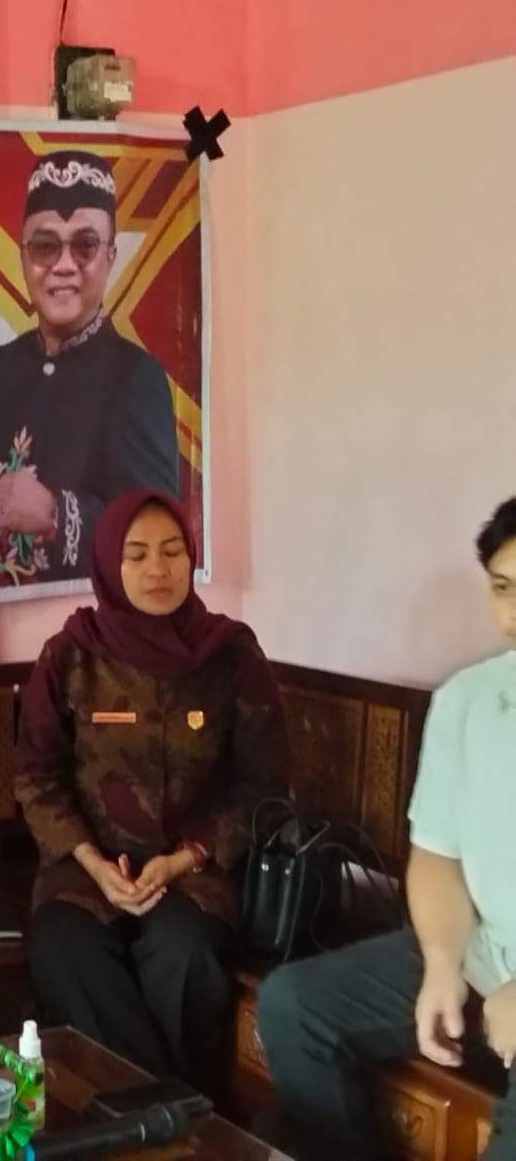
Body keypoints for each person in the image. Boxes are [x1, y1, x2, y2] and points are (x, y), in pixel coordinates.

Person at [257, 496, 516, 1160]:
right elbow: (436, 857)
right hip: (482, 955)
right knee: (293, 1008)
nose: (515, 612)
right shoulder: (468, 702)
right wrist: (441, 962)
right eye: (503, 588)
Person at [15, 489, 289, 1088]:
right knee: (65, 948)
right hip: (85, 869)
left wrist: (185, 858)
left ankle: (144, 1116)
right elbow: (37, 776)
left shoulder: (231, 653)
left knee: (185, 953)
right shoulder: (71, 656)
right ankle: (172, 1114)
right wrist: (92, 862)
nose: (157, 569)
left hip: (195, 872)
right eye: (136, 555)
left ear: (191, 557)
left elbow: (263, 784)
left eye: (171, 551)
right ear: (109, 564)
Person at [0, 151, 179, 589]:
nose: (64, 265)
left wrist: (55, 513)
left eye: (85, 245)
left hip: (80, 620)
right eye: (45, 245)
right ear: (23, 256)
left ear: (110, 256)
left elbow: (158, 532)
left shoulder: (135, 378)